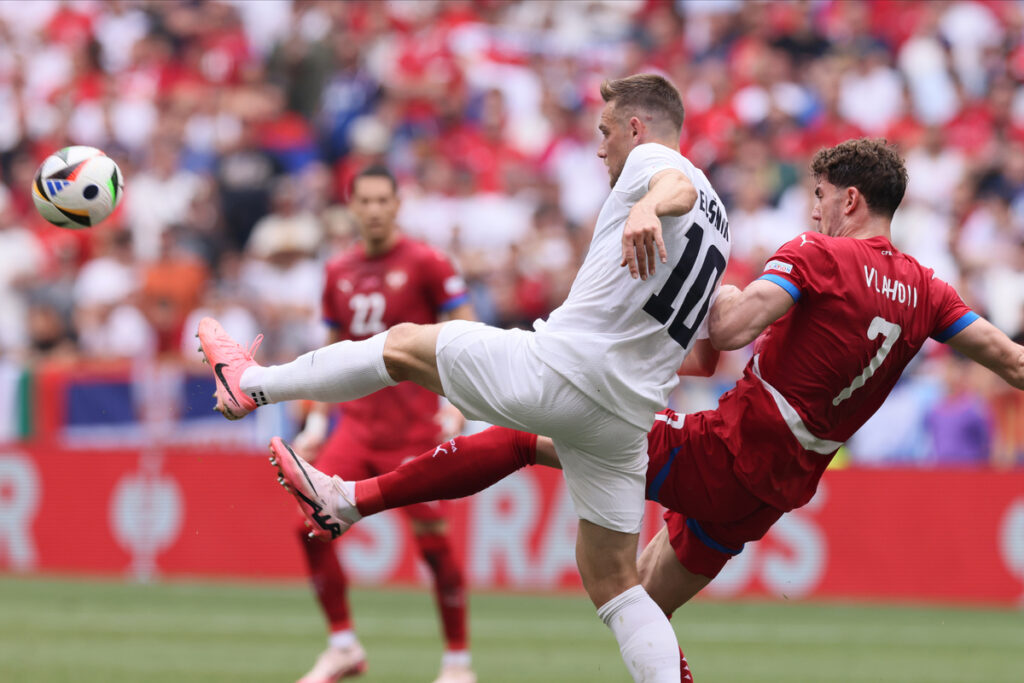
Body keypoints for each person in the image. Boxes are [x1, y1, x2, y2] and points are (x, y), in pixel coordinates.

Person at [267, 138, 1024, 679]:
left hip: (727, 448)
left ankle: (353, 497)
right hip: (779, 489)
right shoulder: (930, 290)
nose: (815, 211)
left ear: (849, 197)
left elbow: (726, 327)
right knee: (640, 610)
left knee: (536, 432)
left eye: (821, 197)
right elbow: (1012, 360)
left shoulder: (820, 255)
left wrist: (680, 285)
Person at [199, 73, 732, 683]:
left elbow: (673, 185)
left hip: (564, 372)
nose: (600, 147)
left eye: (606, 132)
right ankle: (348, 502)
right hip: (626, 417)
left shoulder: (657, 164)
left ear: (637, 128)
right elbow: (703, 352)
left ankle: (253, 383)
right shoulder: (721, 217)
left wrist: (645, 204)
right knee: (616, 581)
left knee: (401, 346)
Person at [288, 166, 477, 683]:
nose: (373, 209)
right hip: (357, 425)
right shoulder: (337, 271)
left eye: (381, 200)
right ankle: (343, 645)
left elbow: (464, 332)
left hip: (414, 429)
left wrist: (456, 405)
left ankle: (458, 662)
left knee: (434, 548)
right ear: (352, 206)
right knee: (310, 526)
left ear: (397, 205)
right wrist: (318, 417)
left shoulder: (427, 263)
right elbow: (329, 353)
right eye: (364, 200)